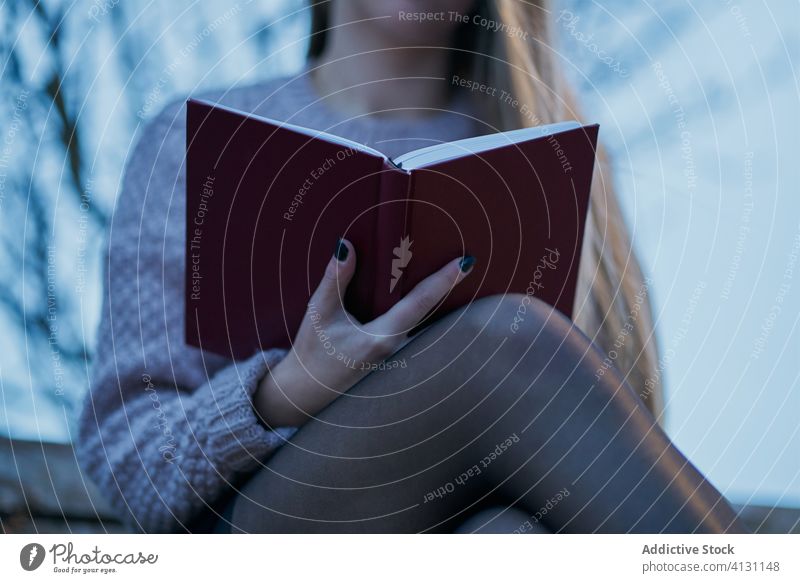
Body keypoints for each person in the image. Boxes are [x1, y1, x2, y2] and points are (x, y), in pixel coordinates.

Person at [77, 0, 746, 533]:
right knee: (504, 341)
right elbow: (128, 456)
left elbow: (608, 449)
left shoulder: (558, 164)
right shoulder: (193, 144)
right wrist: (286, 388)